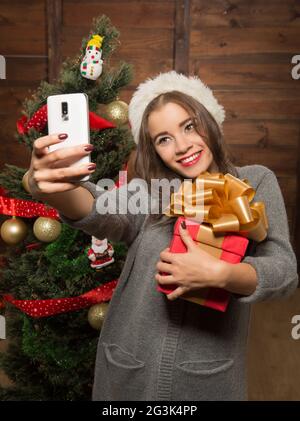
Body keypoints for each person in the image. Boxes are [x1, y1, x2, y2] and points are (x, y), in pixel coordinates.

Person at [27, 71, 298, 401]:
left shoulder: (256, 182)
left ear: (210, 121)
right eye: (163, 139)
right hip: (128, 369)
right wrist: (50, 187)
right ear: (153, 150)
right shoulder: (151, 192)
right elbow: (99, 210)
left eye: (189, 126)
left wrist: (223, 273)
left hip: (206, 378)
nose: (182, 146)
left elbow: (283, 270)